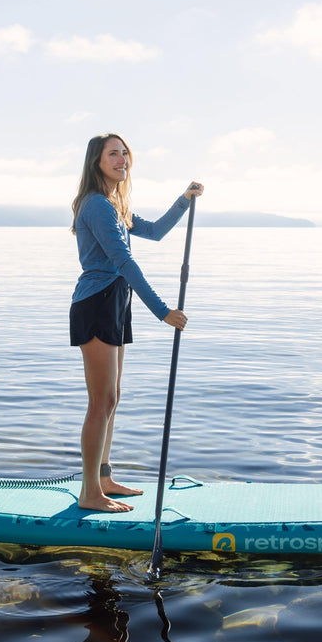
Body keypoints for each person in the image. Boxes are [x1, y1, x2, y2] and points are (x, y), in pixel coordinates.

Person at [69, 133, 203, 512]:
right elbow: (124, 263)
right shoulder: (97, 205)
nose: (122, 160)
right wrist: (163, 311)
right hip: (97, 302)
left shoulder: (115, 205)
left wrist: (184, 200)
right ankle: (89, 492)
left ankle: (103, 478)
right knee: (101, 401)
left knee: (113, 397)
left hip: (115, 302)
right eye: (113, 154)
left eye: (125, 153)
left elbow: (156, 232)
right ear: (96, 162)